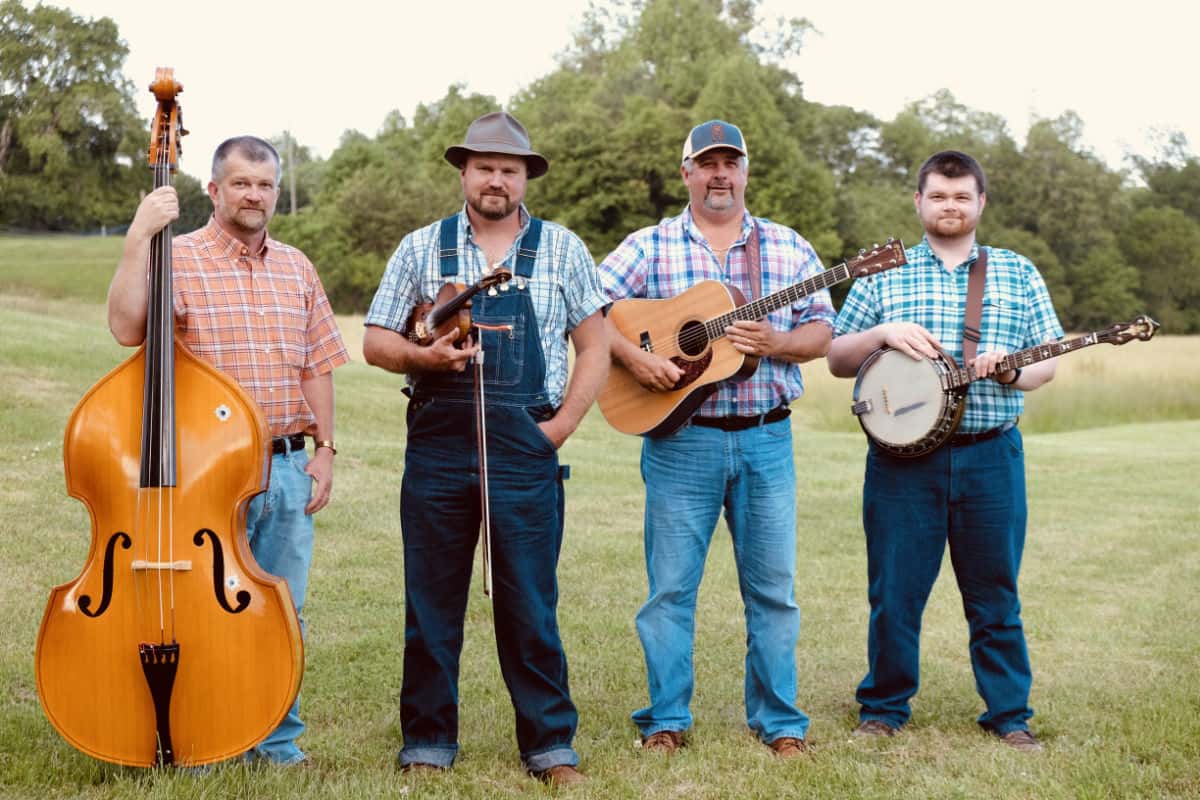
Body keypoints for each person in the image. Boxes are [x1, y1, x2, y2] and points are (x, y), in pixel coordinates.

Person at [361, 111, 609, 786]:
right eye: (484, 168)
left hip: (525, 441)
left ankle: (550, 745)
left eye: (509, 169)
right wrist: (421, 356)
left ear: (525, 177)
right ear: (464, 173)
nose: (496, 180)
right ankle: (428, 740)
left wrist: (559, 429)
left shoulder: (562, 249)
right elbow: (376, 341)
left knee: (529, 600)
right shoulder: (422, 248)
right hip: (438, 444)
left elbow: (595, 346)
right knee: (431, 600)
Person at [108, 135, 349, 766]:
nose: (254, 195)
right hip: (208, 471)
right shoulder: (176, 257)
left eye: (265, 185)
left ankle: (276, 741)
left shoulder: (296, 266)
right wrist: (138, 237)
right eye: (241, 183)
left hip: (288, 466)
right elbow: (126, 327)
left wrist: (325, 449)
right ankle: (206, 738)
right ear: (214, 190)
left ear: (276, 193)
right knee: (201, 610)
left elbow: (317, 363)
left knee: (282, 609)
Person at [596, 120, 834, 758]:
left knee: (773, 591)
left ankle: (781, 724)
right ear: (687, 173)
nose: (719, 174)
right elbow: (587, 309)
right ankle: (666, 720)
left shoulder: (787, 247)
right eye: (707, 163)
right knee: (670, 590)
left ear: (746, 172)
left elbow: (821, 331)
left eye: (731, 163)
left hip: (765, 439)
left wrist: (778, 342)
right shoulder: (649, 245)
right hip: (681, 442)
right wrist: (637, 358)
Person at [827, 150, 1064, 752]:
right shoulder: (885, 271)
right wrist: (881, 334)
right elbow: (836, 357)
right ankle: (883, 708)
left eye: (961, 196)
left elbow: (1049, 361)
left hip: (990, 456)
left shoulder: (1016, 271)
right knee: (894, 592)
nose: (949, 206)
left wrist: (1011, 372)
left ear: (980, 202)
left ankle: (1009, 714)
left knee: (995, 593)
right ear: (919, 202)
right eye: (938, 196)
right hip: (901, 464)